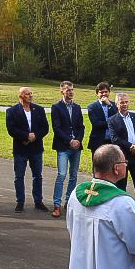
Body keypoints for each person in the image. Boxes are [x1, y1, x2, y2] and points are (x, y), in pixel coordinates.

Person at [6, 87, 49, 213]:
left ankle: (38, 201)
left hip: (36, 148)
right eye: (27, 94)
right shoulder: (12, 111)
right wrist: (26, 136)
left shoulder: (39, 110)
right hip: (20, 149)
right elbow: (11, 129)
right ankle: (20, 201)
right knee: (19, 176)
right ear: (21, 96)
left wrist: (35, 136)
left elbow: (45, 128)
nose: (30, 96)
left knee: (37, 176)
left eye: (31, 93)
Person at [50, 81, 85, 218]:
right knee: (61, 174)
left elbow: (81, 127)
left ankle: (69, 201)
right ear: (62, 92)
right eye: (68, 90)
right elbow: (56, 128)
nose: (70, 92)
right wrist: (69, 140)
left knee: (74, 175)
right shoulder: (56, 107)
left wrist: (78, 140)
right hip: (63, 146)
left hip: (76, 146)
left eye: (72, 90)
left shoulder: (77, 107)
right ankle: (56, 204)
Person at [107, 92, 135, 204]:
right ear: (117, 104)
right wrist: (130, 146)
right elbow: (115, 138)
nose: (125, 104)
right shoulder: (112, 120)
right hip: (122, 157)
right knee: (121, 183)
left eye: (126, 102)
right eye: (122, 102)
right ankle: (121, 205)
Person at [86, 81, 117, 158]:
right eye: (101, 92)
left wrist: (109, 105)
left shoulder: (114, 105)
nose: (104, 94)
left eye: (106, 92)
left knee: (112, 165)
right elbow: (97, 124)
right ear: (97, 94)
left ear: (109, 92)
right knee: (97, 166)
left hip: (112, 141)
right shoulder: (92, 107)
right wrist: (112, 124)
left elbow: (118, 118)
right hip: (98, 141)